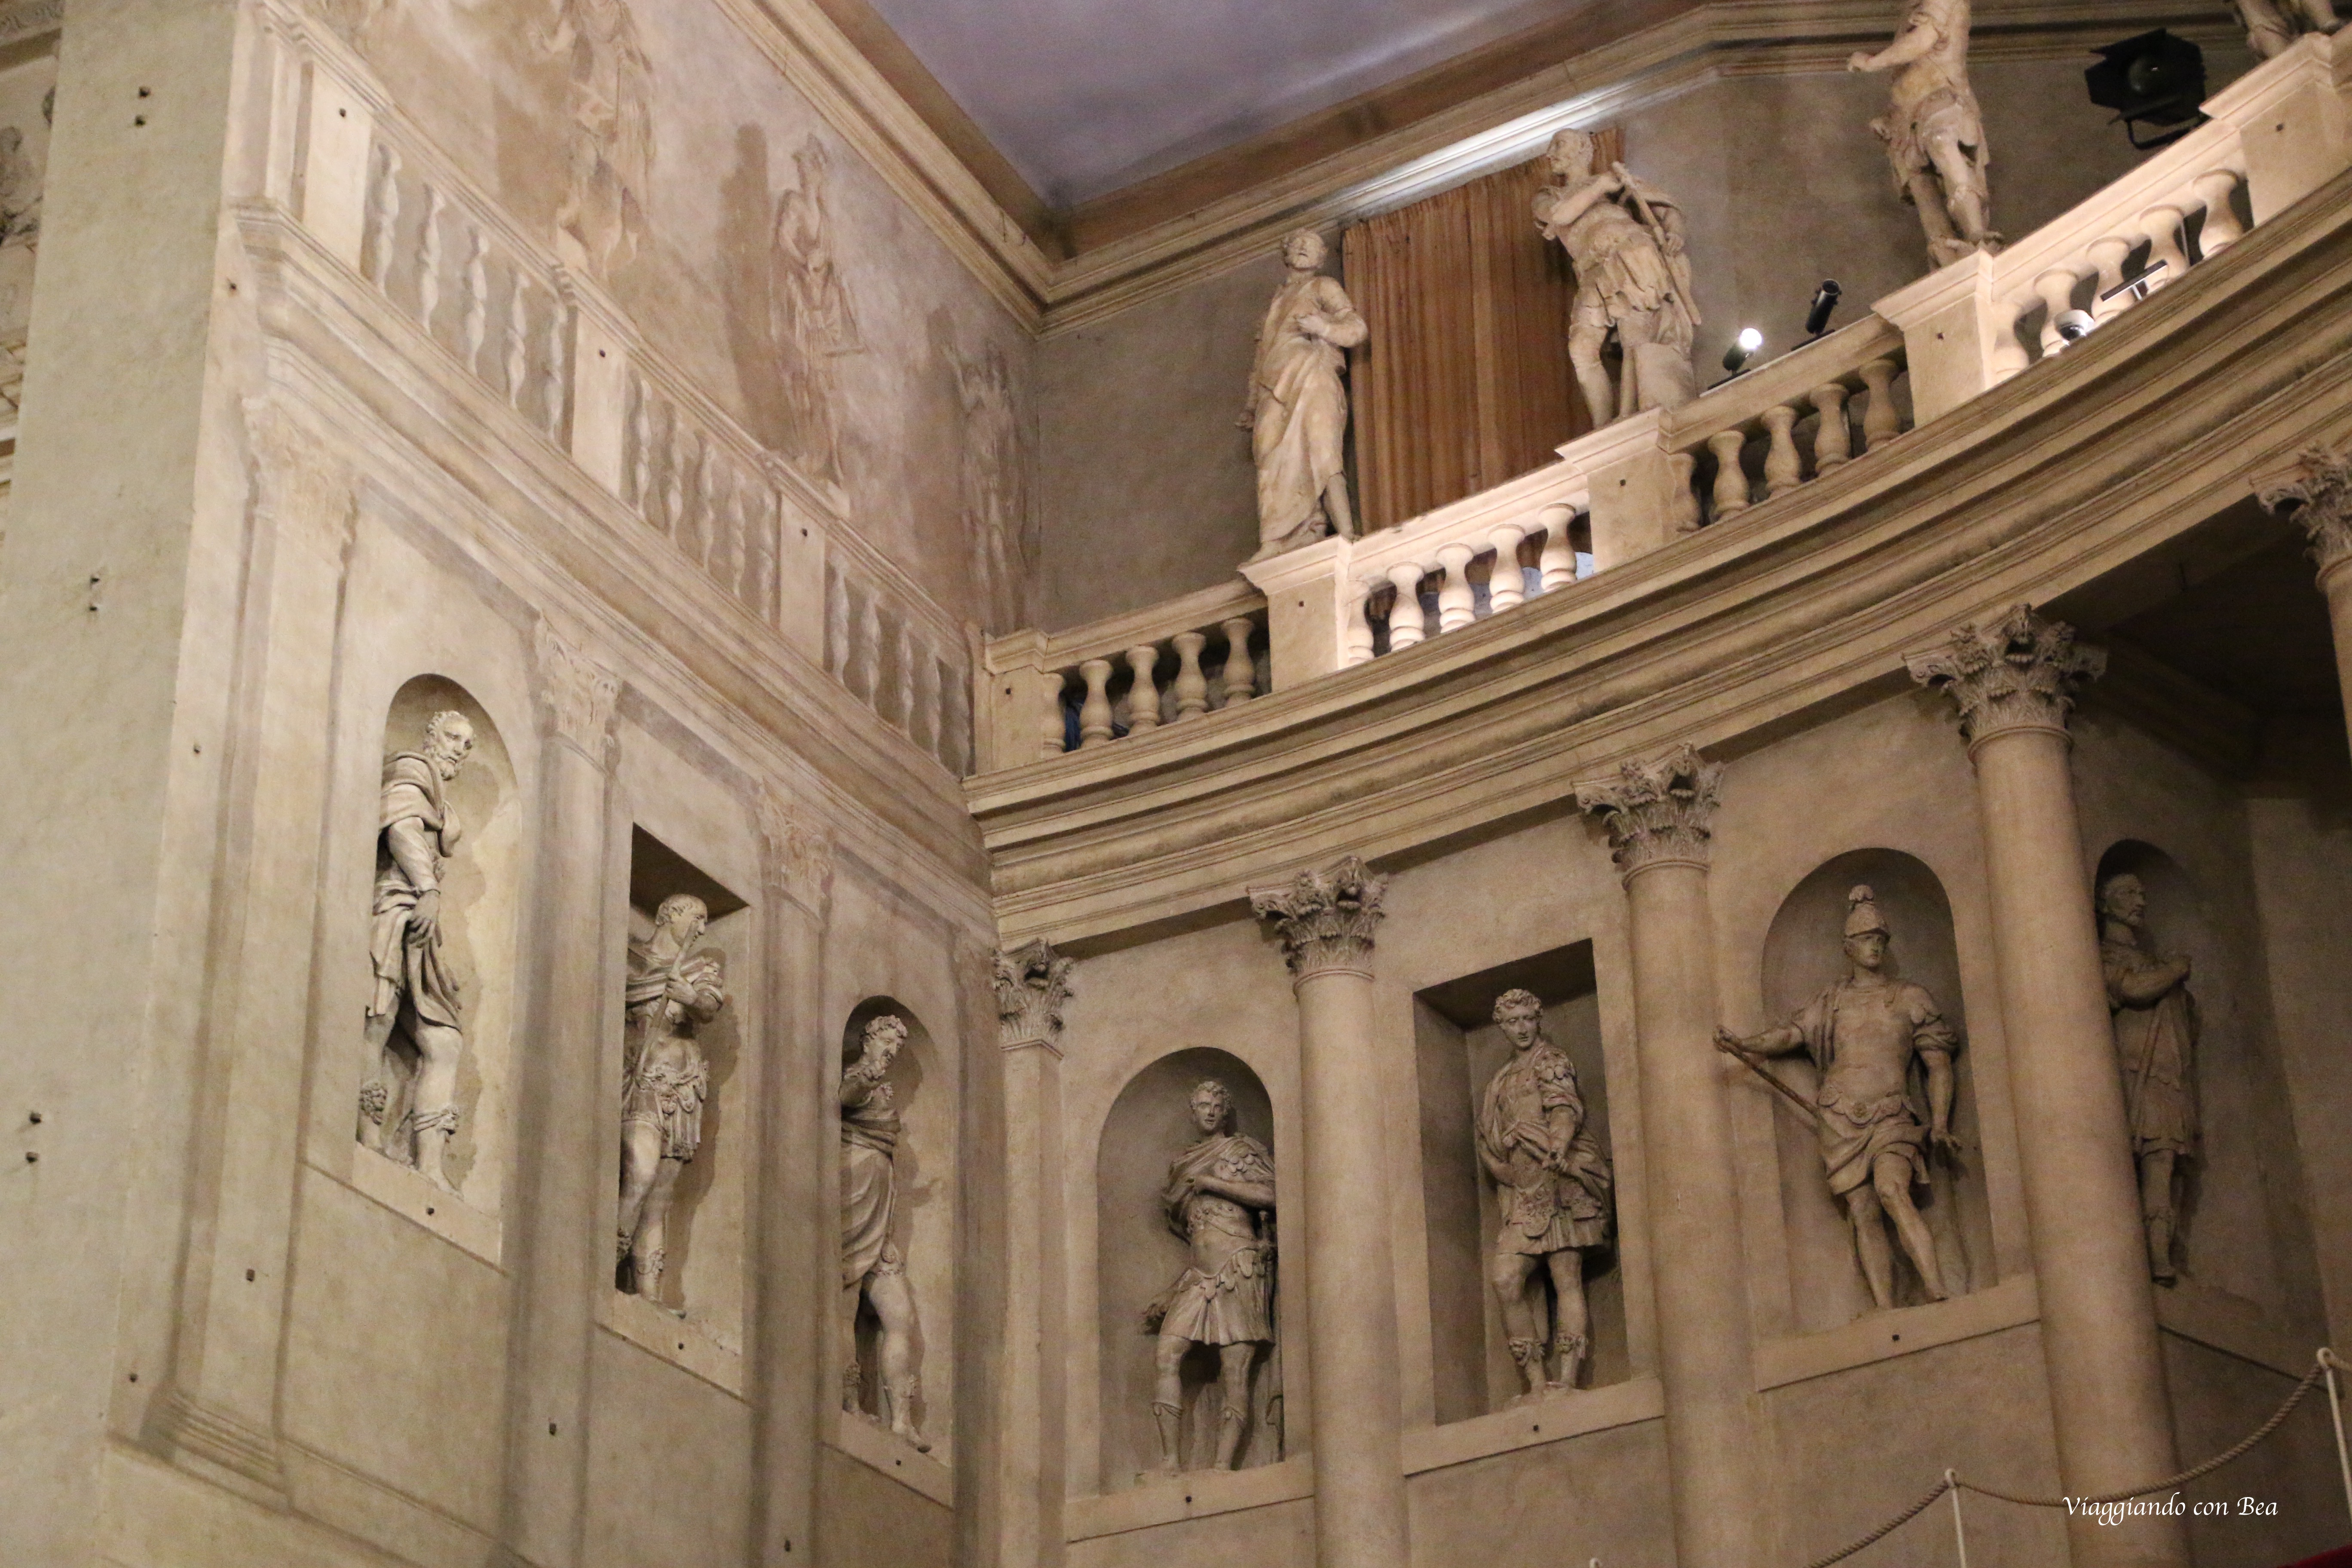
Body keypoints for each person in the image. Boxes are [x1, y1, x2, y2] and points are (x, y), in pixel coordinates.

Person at [1717, 885, 1960, 1309]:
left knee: (1892, 1190)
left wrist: (1939, 1123)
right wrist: (1744, 1044)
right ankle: (1886, 1308)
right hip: (1839, 1117)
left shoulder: (1910, 997)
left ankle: (1938, 1289)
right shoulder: (1832, 1001)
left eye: (1880, 939)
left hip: (1892, 1113)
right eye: (1866, 940)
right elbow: (1790, 1035)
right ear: (1848, 948)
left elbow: (1937, 1065)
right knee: (1863, 1211)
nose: (1874, 947)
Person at [359, 710, 476, 1193]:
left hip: (422, 928)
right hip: (393, 908)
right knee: (377, 1018)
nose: (459, 750)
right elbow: (401, 830)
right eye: (453, 737)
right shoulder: (410, 771)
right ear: (431, 736)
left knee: (445, 1042)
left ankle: (429, 1166)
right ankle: (367, 1139)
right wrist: (429, 889)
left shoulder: (439, 798)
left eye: (467, 745)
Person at [1476, 989, 1614, 1397]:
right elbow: (1490, 1134)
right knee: (1505, 1279)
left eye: (1527, 1019)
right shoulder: (1502, 1078)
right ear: (1502, 1027)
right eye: (1512, 1021)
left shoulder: (1551, 1060)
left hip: (1558, 1182)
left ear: (1538, 1020)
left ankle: (1568, 1379)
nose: (1521, 1028)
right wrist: (1500, 1166)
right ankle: (1536, 1384)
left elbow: (1564, 1108)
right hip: (1523, 1189)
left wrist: (1558, 1144)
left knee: (1565, 1276)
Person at [1142, 1079, 1277, 1476]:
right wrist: (1173, 1290)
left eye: (1217, 1106)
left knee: (1234, 1369)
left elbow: (1272, 1196)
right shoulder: (1184, 1163)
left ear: (1226, 1111)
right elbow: (1193, 1239)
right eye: (1203, 1105)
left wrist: (1213, 1183)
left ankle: (1222, 1466)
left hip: (1239, 1268)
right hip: (1197, 1276)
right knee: (1167, 1354)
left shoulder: (1241, 1151)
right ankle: (1170, 1461)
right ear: (1193, 1111)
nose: (1211, 1112)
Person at [1532, 128, 1698, 427]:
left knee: (1635, 335)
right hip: (1593, 270)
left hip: (1631, 256)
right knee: (1582, 348)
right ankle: (1602, 426)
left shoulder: (1617, 182)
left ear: (1583, 149)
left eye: (1559, 145)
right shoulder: (1550, 196)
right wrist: (1600, 187)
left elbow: (1666, 209)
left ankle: (1632, 414)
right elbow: (1559, 216)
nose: (1550, 154)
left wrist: (1675, 233)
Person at [616, 895, 726, 1307]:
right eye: (697, 918)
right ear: (668, 914)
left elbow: (709, 1008)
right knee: (640, 1173)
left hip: (682, 1088)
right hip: (641, 1078)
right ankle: (607, 1262)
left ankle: (648, 1296)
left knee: (659, 1198)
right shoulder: (629, 958)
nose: (701, 929)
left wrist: (689, 997)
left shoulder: (699, 970)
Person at [1241, 229, 1367, 562]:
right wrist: (1252, 403)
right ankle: (1277, 538)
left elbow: (1356, 329)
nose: (1302, 247)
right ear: (1286, 253)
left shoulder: (1323, 287)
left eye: (1310, 245)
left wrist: (1322, 328)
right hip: (1273, 386)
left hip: (1312, 376)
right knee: (1268, 455)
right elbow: (1261, 356)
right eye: (1296, 243)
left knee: (1322, 449)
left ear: (1321, 257)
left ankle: (1344, 532)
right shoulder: (1276, 300)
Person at [2098, 872, 2199, 1283]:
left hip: (2167, 1076)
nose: (2140, 900)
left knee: (2170, 1164)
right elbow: (2134, 990)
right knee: (2151, 1161)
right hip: (2133, 1076)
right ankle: (2152, 1256)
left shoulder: (2155, 961)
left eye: (2142, 893)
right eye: (2128, 893)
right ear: (2104, 904)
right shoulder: (2104, 954)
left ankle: (2165, 1251)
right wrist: (2174, 971)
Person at [1849, 0, 2000, 268]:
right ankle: (1944, 255)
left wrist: (1872, 62)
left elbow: (1922, 41)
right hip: (1907, 119)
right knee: (1921, 185)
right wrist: (1890, 117)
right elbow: (1911, 74)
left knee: (1942, 144)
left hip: (1941, 102)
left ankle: (1977, 236)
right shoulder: (1909, 11)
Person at [840, 1014, 929, 1451]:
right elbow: (843, 1098)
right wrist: (867, 1076)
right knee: (843, 1307)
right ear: (868, 1040)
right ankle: (848, 1403)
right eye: (886, 1042)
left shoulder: (881, 1087)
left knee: (901, 1318)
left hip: (881, 1219)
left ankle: (902, 1422)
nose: (891, 1052)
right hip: (851, 1208)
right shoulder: (857, 1077)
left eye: (896, 1047)